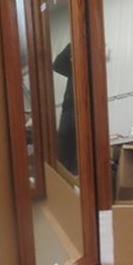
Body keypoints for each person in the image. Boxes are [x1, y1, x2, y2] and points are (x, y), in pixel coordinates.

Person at [53, 43, 78, 176]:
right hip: (71, 109)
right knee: (66, 155)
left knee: (71, 156)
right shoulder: (77, 69)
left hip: (74, 110)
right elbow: (57, 65)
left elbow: (57, 65)